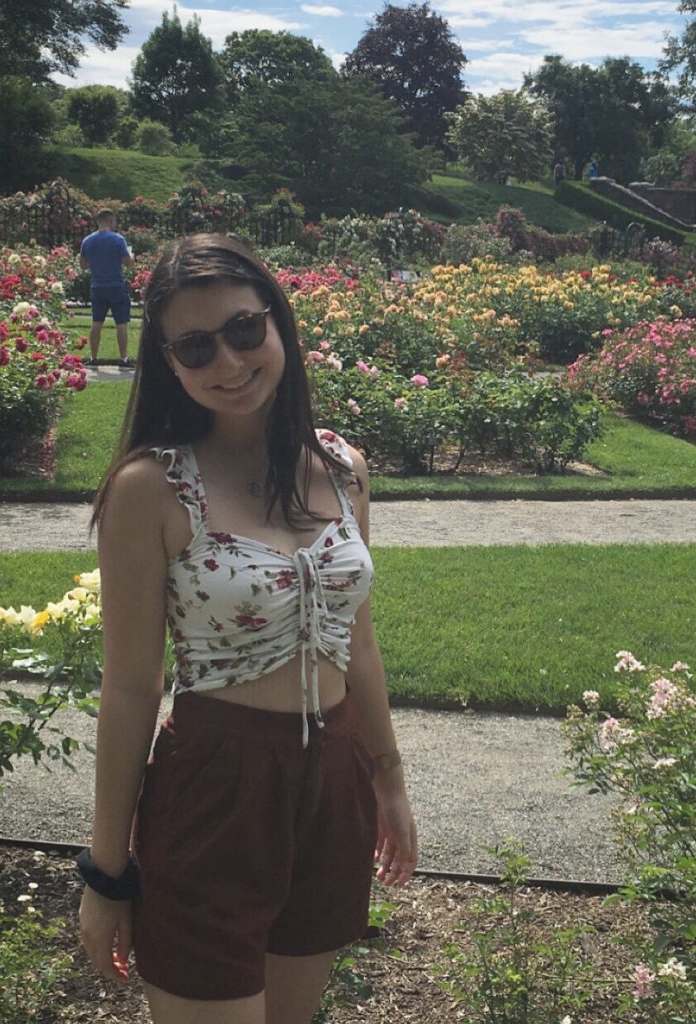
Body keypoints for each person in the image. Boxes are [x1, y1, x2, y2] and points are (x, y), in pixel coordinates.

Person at [77, 233, 418, 1024]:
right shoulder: (149, 490)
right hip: (215, 783)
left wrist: (388, 778)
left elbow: (356, 639)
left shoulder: (341, 467)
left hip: (332, 780)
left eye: (242, 330)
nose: (227, 363)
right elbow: (130, 688)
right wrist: (107, 871)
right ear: (168, 362)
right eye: (195, 347)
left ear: (278, 324)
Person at [80, 209, 135, 369]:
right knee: (121, 323)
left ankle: (93, 357)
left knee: (97, 322)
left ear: (97, 221)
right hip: (116, 285)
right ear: (111, 222)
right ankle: (123, 358)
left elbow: (83, 265)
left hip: (97, 285)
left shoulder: (87, 241)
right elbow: (128, 263)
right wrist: (132, 257)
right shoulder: (118, 239)